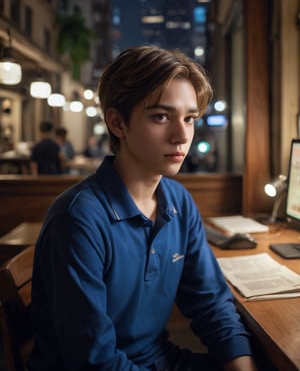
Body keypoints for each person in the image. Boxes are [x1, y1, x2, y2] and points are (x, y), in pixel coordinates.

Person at [28, 46, 259, 371]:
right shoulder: (78, 219)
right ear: (117, 123)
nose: (182, 136)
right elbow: (95, 362)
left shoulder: (178, 201)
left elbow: (211, 304)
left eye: (190, 118)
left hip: (159, 360)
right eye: (161, 117)